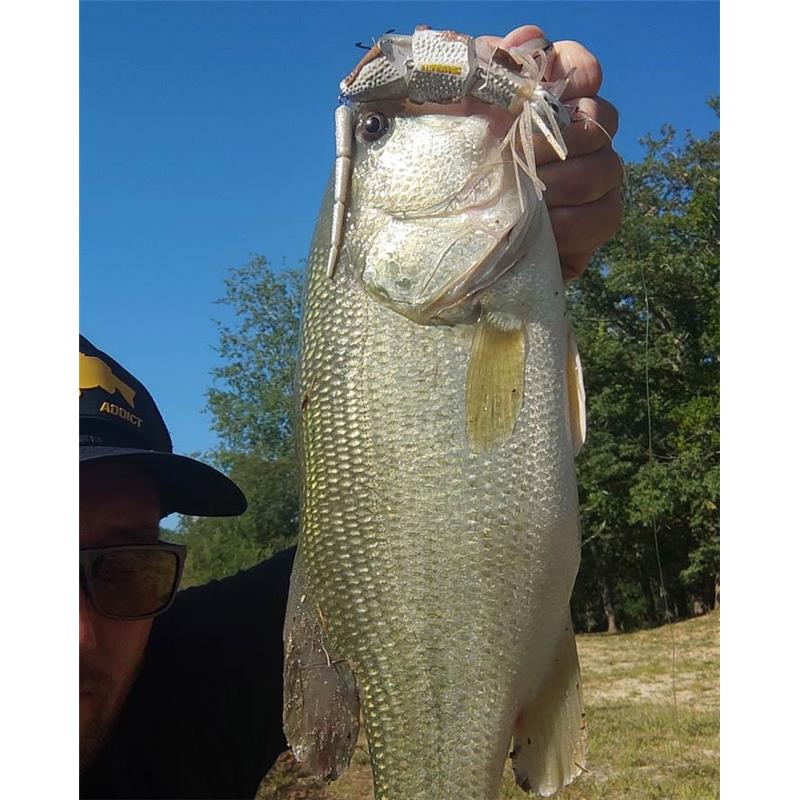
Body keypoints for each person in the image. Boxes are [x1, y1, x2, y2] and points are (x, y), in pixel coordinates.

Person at [80, 25, 623, 799]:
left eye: (127, 571)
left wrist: (539, 279)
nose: (77, 634)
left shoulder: (175, 691)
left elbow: (373, 563)